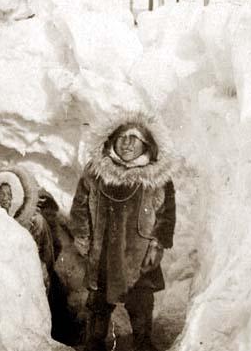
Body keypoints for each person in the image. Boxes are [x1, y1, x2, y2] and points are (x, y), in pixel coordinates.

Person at [69, 112, 177, 351]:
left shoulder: (156, 179)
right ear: (112, 141)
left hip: (139, 254)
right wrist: (83, 235)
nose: (127, 143)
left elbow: (166, 214)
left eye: (134, 138)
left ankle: (142, 341)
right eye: (123, 138)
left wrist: (157, 244)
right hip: (104, 250)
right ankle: (94, 342)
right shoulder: (97, 173)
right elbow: (79, 206)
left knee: (141, 300)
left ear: (146, 145)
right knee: (98, 302)